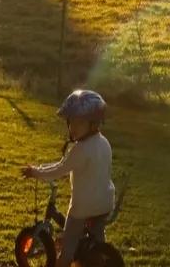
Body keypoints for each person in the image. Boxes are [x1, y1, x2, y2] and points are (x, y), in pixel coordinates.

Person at [22, 90, 114, 267]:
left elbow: (60, 169)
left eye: (79, 123)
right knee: (96, 241)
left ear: (93, 124)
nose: (73, 127)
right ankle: (97, 257)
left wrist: (35, 172)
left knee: (67, 251)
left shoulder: (81, 149)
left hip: (83, 208)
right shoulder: (104, 142)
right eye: (71, 122)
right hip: (105, 203)